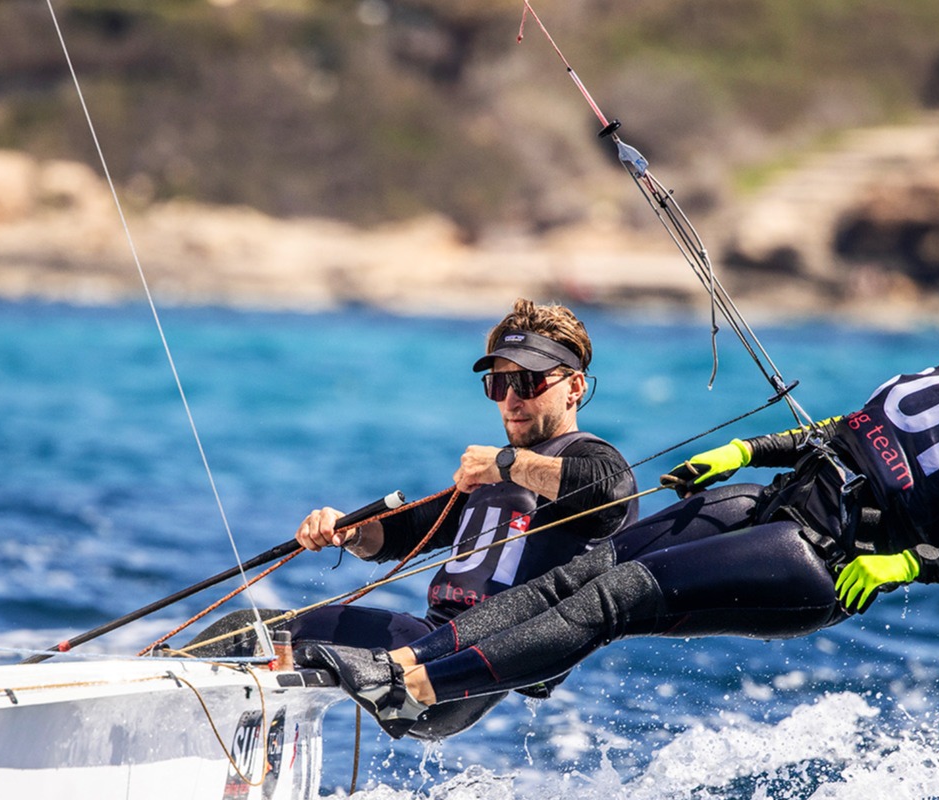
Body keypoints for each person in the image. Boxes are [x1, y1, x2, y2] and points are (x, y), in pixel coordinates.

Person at [300, 235, 939, 738]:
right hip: (775, 500)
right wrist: (747, 450)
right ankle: (414, 658)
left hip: (825, 554)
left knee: (621, 594)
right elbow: (852, 430)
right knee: (581, 570)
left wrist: (906, 565)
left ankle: (413, 685)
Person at [201, 298, 638, 739]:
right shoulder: (491, 477)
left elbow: (611, 490)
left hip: (464, 667)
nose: (510, 400)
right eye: (498, 384)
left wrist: (505, 462)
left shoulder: (585, 459)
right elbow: (403, 534)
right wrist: (349, 531)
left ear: (575, 386)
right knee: (274, 644)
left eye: (527, 382)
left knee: (254, 635)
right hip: (430, 646)